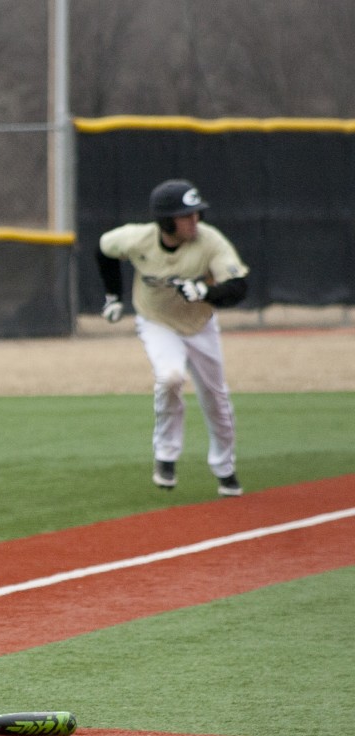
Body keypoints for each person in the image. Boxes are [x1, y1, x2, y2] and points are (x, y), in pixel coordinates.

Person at [96, 178, 248, 497]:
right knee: (170, 378)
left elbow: (238, 287)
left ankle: (225, 468)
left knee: (216, 398)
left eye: (196, 214)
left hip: (200, 325)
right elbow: (104, 248)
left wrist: (206, 291)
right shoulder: (138, 239)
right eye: (186, 215)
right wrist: (113, 296)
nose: (195, 220)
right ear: (167, 220)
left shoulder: (210, 242)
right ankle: (166, 455)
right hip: (157, 322)